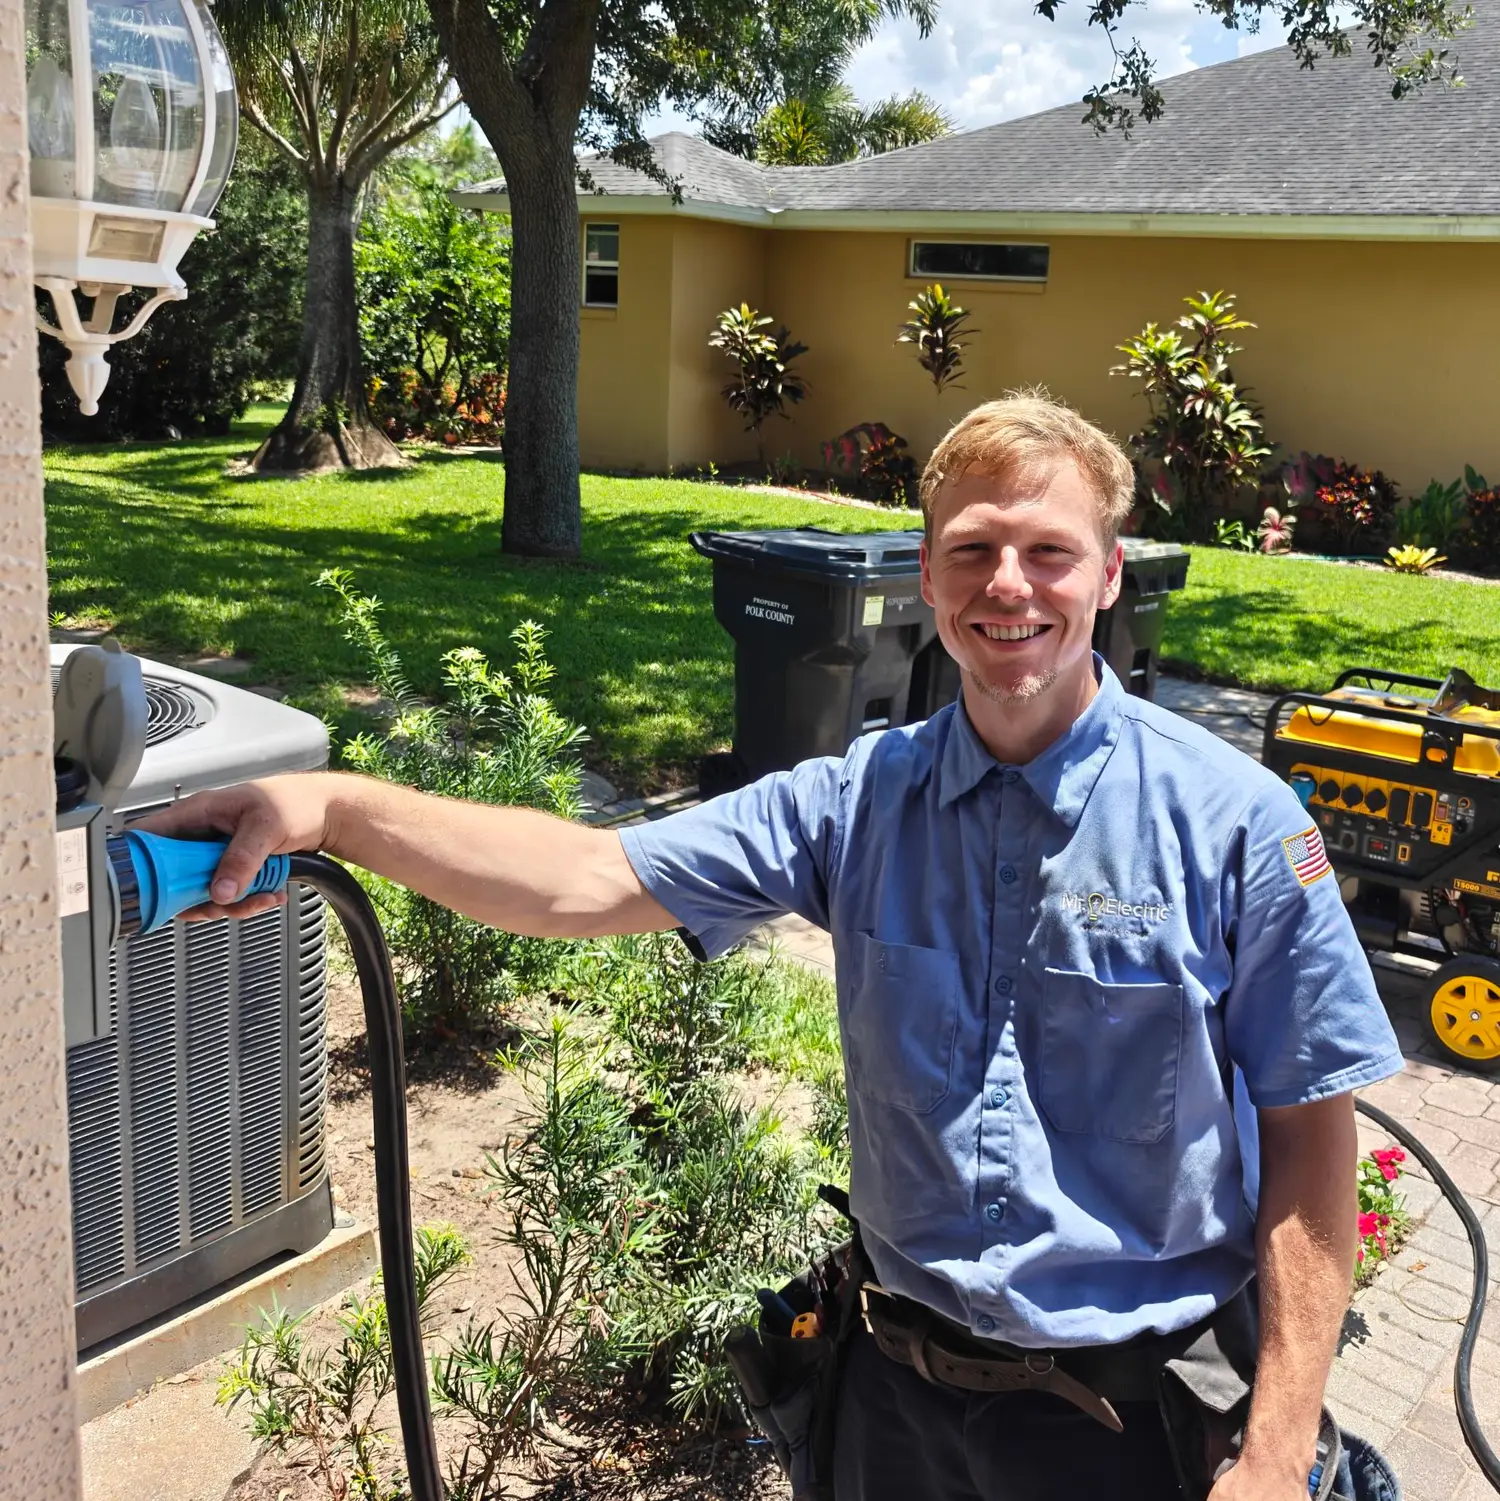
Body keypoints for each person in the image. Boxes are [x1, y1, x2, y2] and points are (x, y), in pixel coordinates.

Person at [143, 393, 1403, 1501]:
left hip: (1130, 1426)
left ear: (1110, 575)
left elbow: (1310, 1142)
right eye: (973, 550)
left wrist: (1277, 1451)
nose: (1009, 585)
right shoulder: (858, 804)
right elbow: (585, 877)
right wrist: (335, 809)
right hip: (895, 1402)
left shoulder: (1235, 825)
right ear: (928, 575)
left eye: (1049, 552)